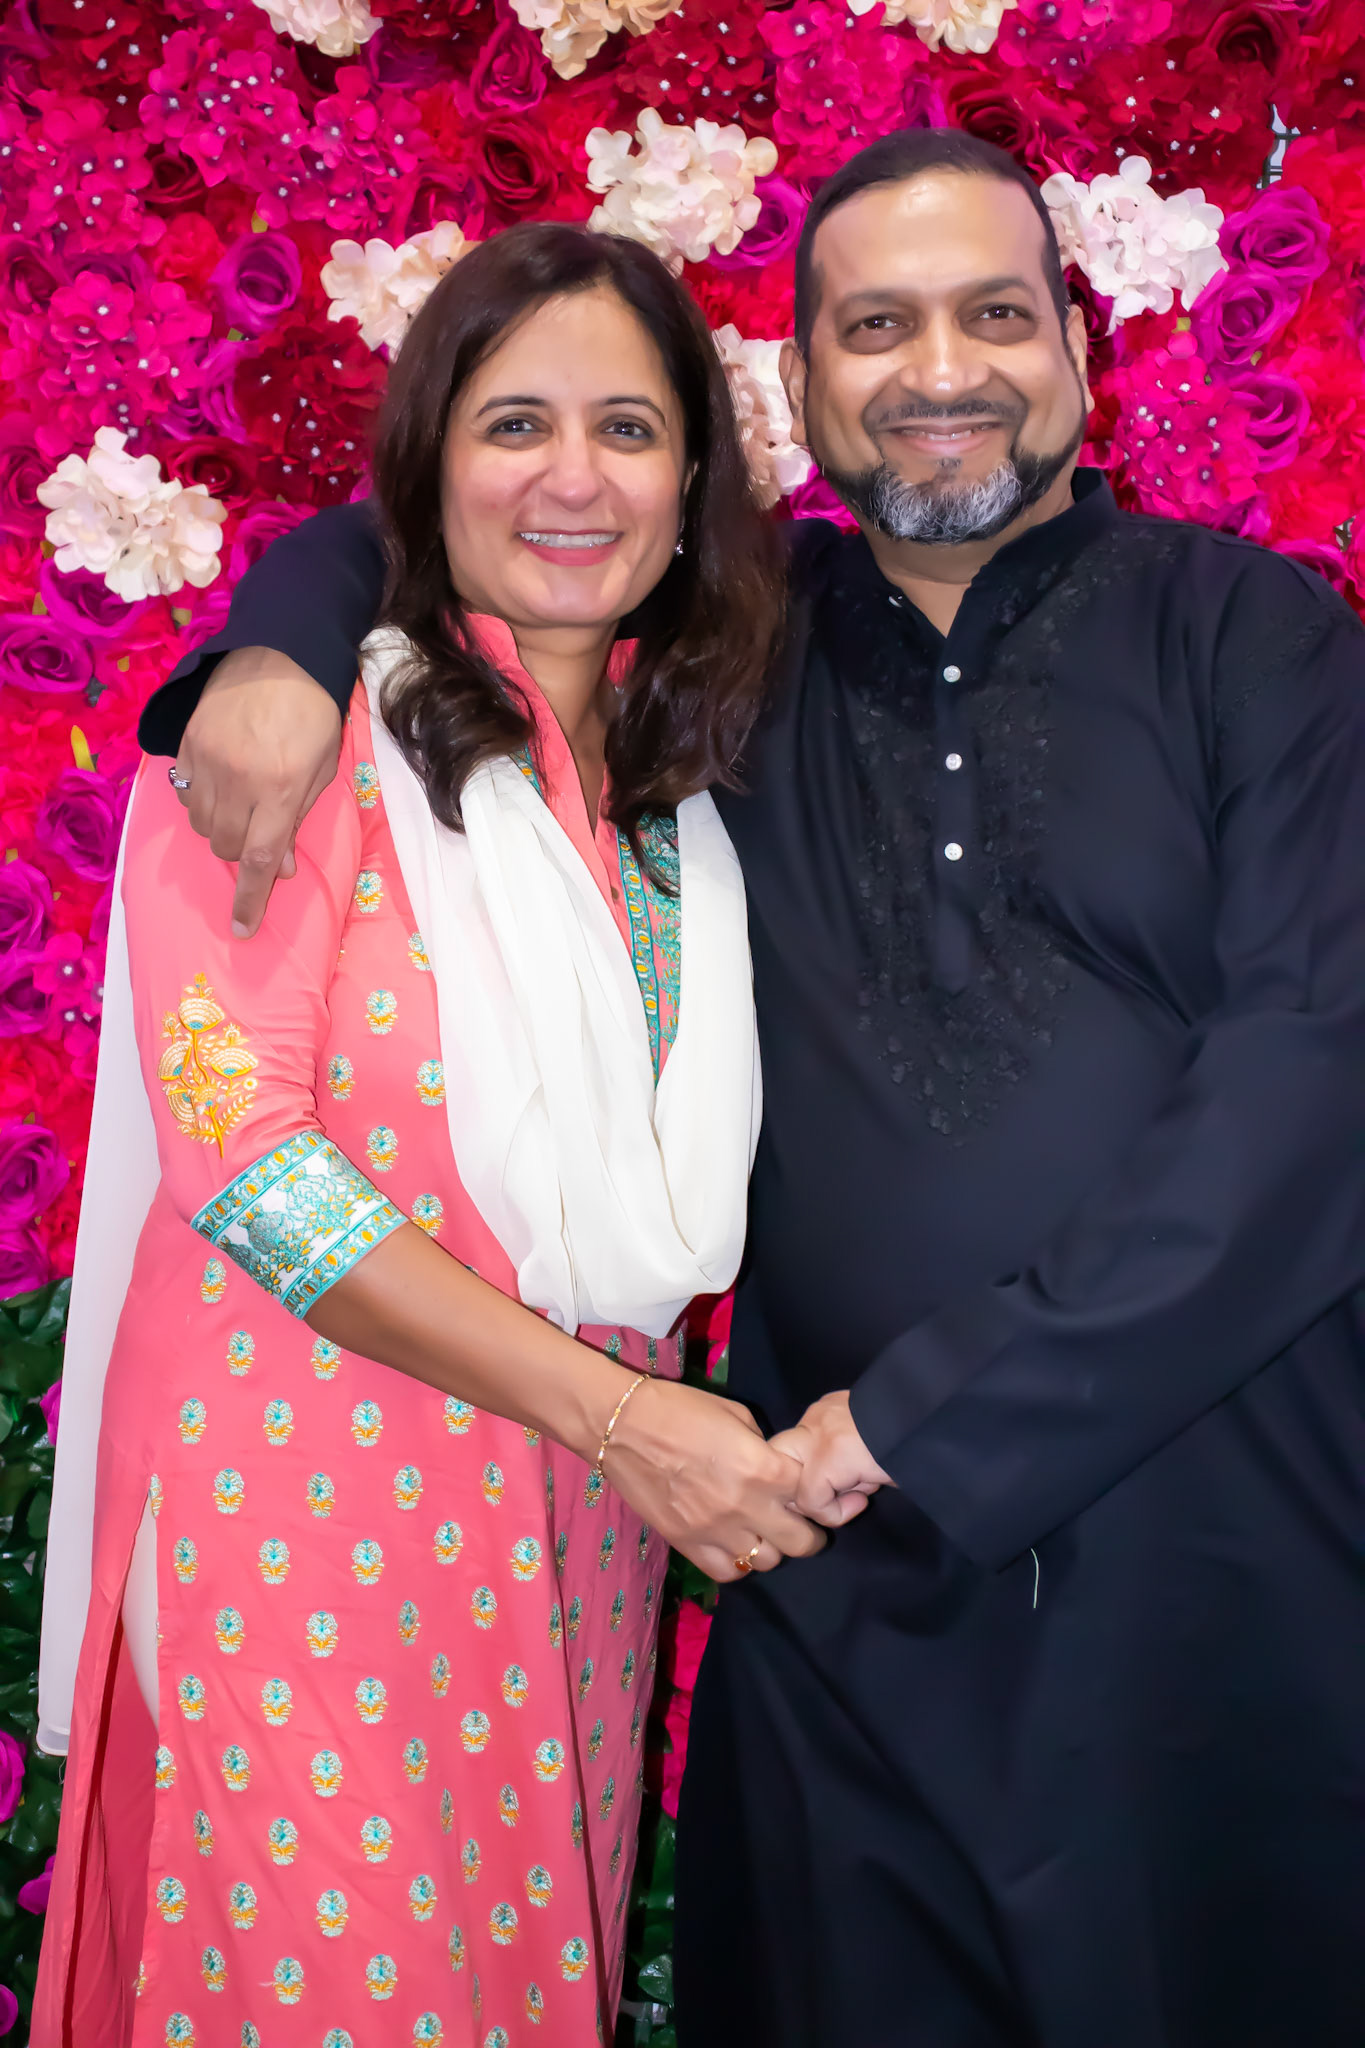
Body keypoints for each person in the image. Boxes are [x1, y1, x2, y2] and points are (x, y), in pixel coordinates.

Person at [130, 130, 1365, 2048]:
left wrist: (932, 1414)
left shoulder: (1256, 639)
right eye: (875, 326)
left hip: (1209, 1532)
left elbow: (1312, 1080)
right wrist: (279, 645)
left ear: (1077, 349)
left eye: (994, 316)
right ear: (793, 387)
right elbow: (466, 521)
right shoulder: (727, 648)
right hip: (825, 1575)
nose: (939, 369)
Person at [34, 221, 826, 2048]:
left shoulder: (682, 798)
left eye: (627, 429)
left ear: (692, 483)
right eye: (513, 424)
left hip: (578, 1542)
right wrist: (621, 1420)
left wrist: (622, 1440)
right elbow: (247, 1168)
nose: (573, 478)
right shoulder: (284, 743)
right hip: (296, 1533)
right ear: (428, 463)